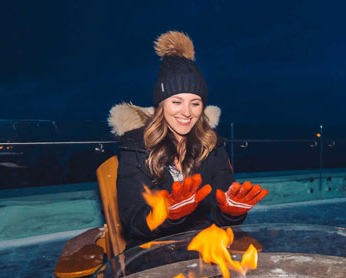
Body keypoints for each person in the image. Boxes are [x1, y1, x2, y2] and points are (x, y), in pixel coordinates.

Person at [110, 31, 267, 248]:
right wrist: (169, 213)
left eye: (195, 103)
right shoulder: (136, 147)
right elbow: (134, 217)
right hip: (152, 247)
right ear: (161, 105)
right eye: (176, 102)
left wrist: (231, 212)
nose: (187, 112)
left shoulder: (212, 146)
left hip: (202, 242)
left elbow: (218, 211)